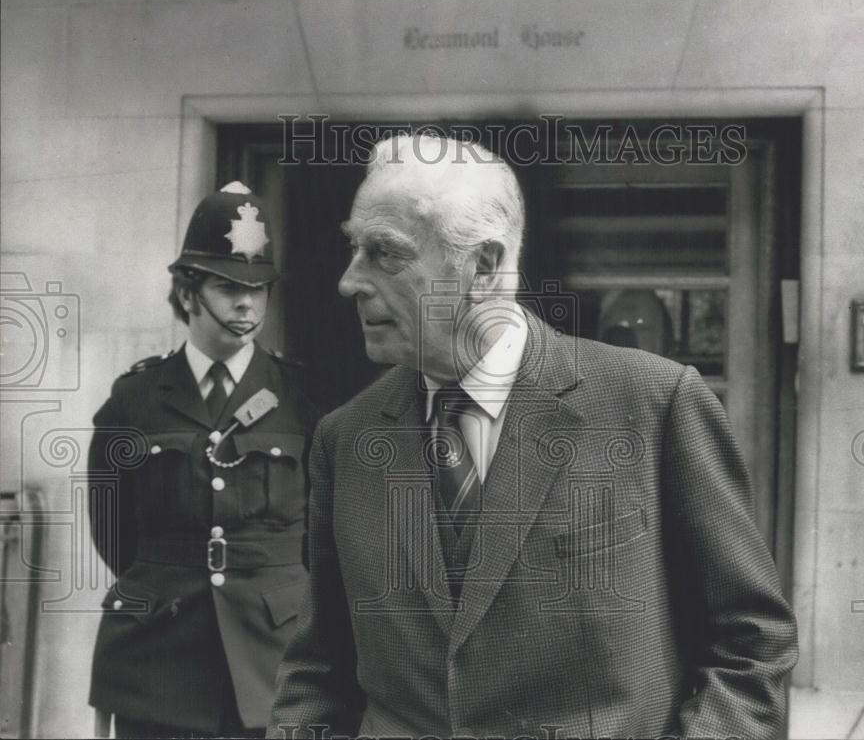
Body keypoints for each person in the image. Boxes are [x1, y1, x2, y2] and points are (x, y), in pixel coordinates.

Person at [268, 135, 798, 739]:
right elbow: (318, 669)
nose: (349, 281)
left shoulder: (652, 405)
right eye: (353, 248)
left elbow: (752, 644)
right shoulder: (346, 438)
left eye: (385, 253)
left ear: (484, 266)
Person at [88, 182, 315, 738]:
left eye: (259, 290)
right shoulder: (133, 401)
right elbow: (113, 533)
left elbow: (320, 537)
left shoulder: (304, 400)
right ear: (188, 294)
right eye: (227, 286)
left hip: (274, 658)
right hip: (159, 662)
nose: (246, 304)